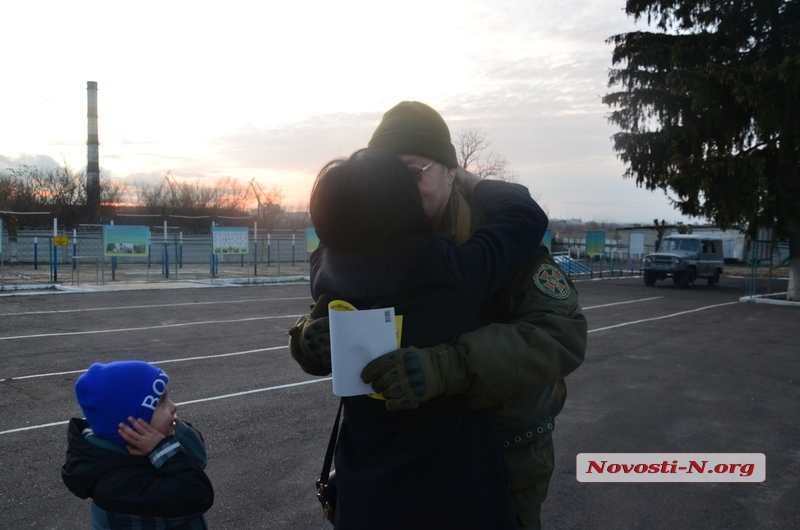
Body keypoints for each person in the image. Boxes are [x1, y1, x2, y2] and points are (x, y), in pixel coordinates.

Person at [291, 101, 588, 529]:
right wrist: (311, 339)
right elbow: (328, 312)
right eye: (386, 173)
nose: (398, 188)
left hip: (496, 457)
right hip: (384, 466)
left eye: (412, 173)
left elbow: (560, 336)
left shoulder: (496, 241)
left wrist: (451, 365)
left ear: (451, 172)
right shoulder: (364, 240)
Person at [61, 361, 214, 529]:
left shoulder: (146, 445)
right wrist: (161, 448)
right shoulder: (117, 487)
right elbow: (197, 495)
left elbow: (198, 457)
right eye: (161, 401)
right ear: (131, 424)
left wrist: (168, 428)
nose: (174, 407)